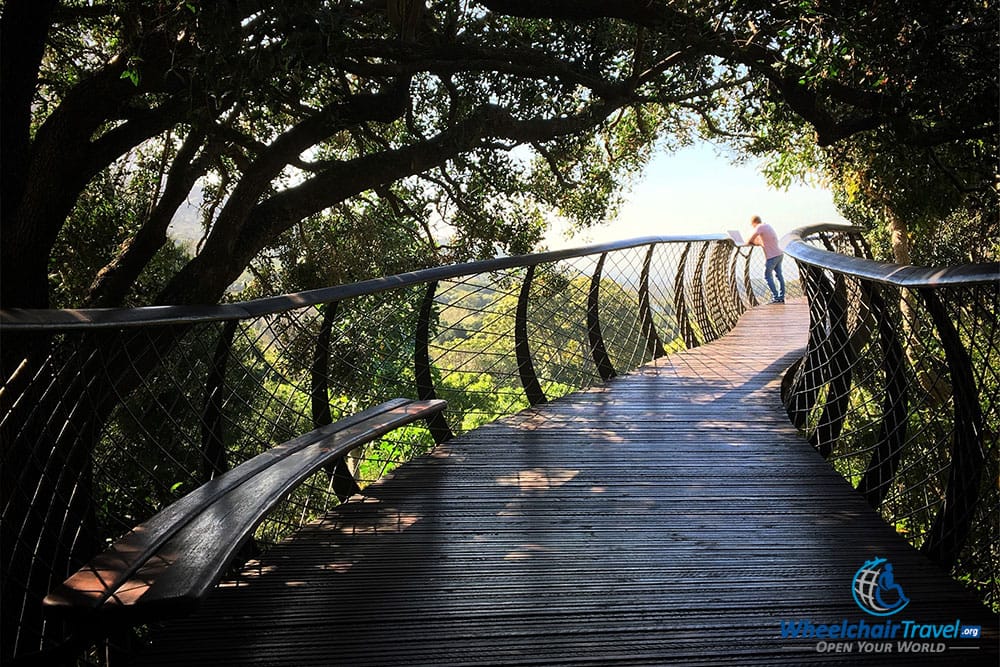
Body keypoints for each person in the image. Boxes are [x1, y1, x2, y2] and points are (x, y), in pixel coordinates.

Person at [745, 215, 785, 304]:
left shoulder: (759, 227)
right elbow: (764, 240)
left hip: (772, 256)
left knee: (767, 276)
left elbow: (750, 240)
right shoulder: (767, 226)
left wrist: (748, 241)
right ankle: (781, 297)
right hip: (779, 254)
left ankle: (776, 297)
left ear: (753, 223)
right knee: (779, 275)